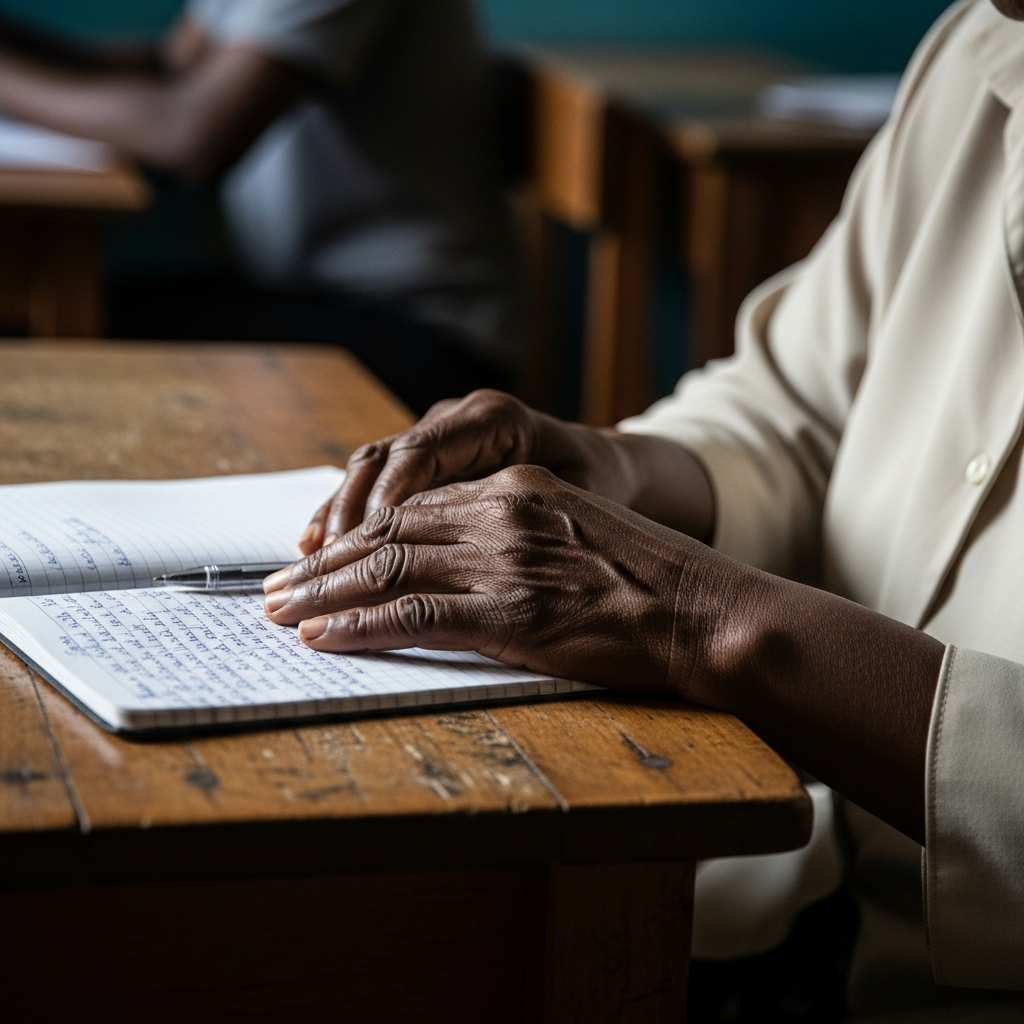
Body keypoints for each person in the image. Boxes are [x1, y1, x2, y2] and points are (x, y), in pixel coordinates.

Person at [260, 1, 1024, 1017]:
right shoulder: (982, 43)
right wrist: (607, 463)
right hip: (785, 901)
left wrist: (710, 623)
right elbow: (792, 406)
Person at [0, 1, 514, 411]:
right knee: (49, 327)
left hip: (415, 335)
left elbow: (189, 134)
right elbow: (172, 66)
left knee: (45, 344)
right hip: (302, 300)